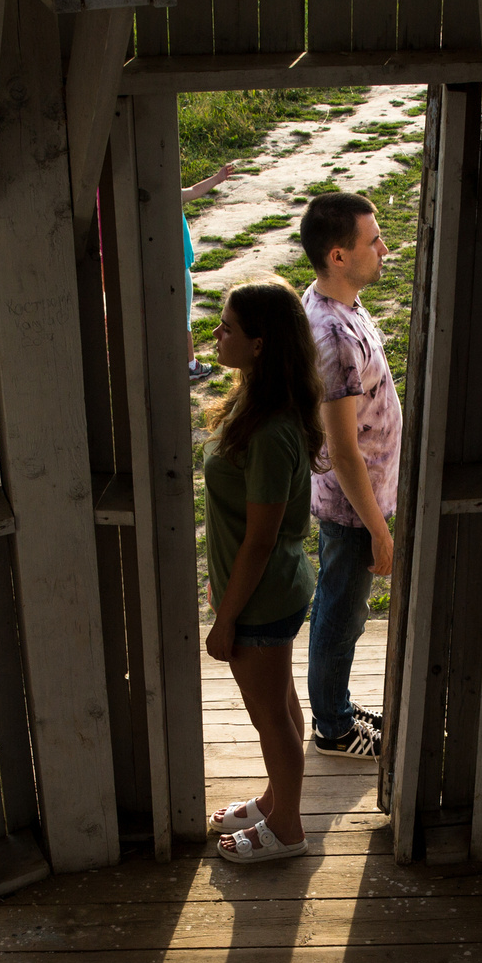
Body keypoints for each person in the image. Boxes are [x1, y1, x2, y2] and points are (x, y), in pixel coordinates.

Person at [199, 278, 325, 865]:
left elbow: (260, 539)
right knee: (281, 706)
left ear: (259, 343)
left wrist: (226, 620)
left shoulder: (273, 431)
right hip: (261, 590)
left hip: (262, 600)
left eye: (227, 327)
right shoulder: (253, 403)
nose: (216, 334)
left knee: (270, 718)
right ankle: (277, 801)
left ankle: (289, 830)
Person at [297, 190, 402, 761]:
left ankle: (334, 702)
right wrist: (378, 530)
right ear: (339, 256)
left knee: (344, 609)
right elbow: (342, 449)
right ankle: (333, 727)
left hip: (363, 499)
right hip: (352, 506)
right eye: (373, 239)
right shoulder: (333, 340)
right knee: (341, 613)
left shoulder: (344, 307)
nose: (384, 247)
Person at [182, 161, 236, 382]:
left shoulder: (155, 198)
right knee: (183, 319)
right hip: (178, 267)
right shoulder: (169, 195)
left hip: (169, 265)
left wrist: (218, 177)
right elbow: (193, 192)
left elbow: (194, 190)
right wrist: (218, 177)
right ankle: (190, 365)